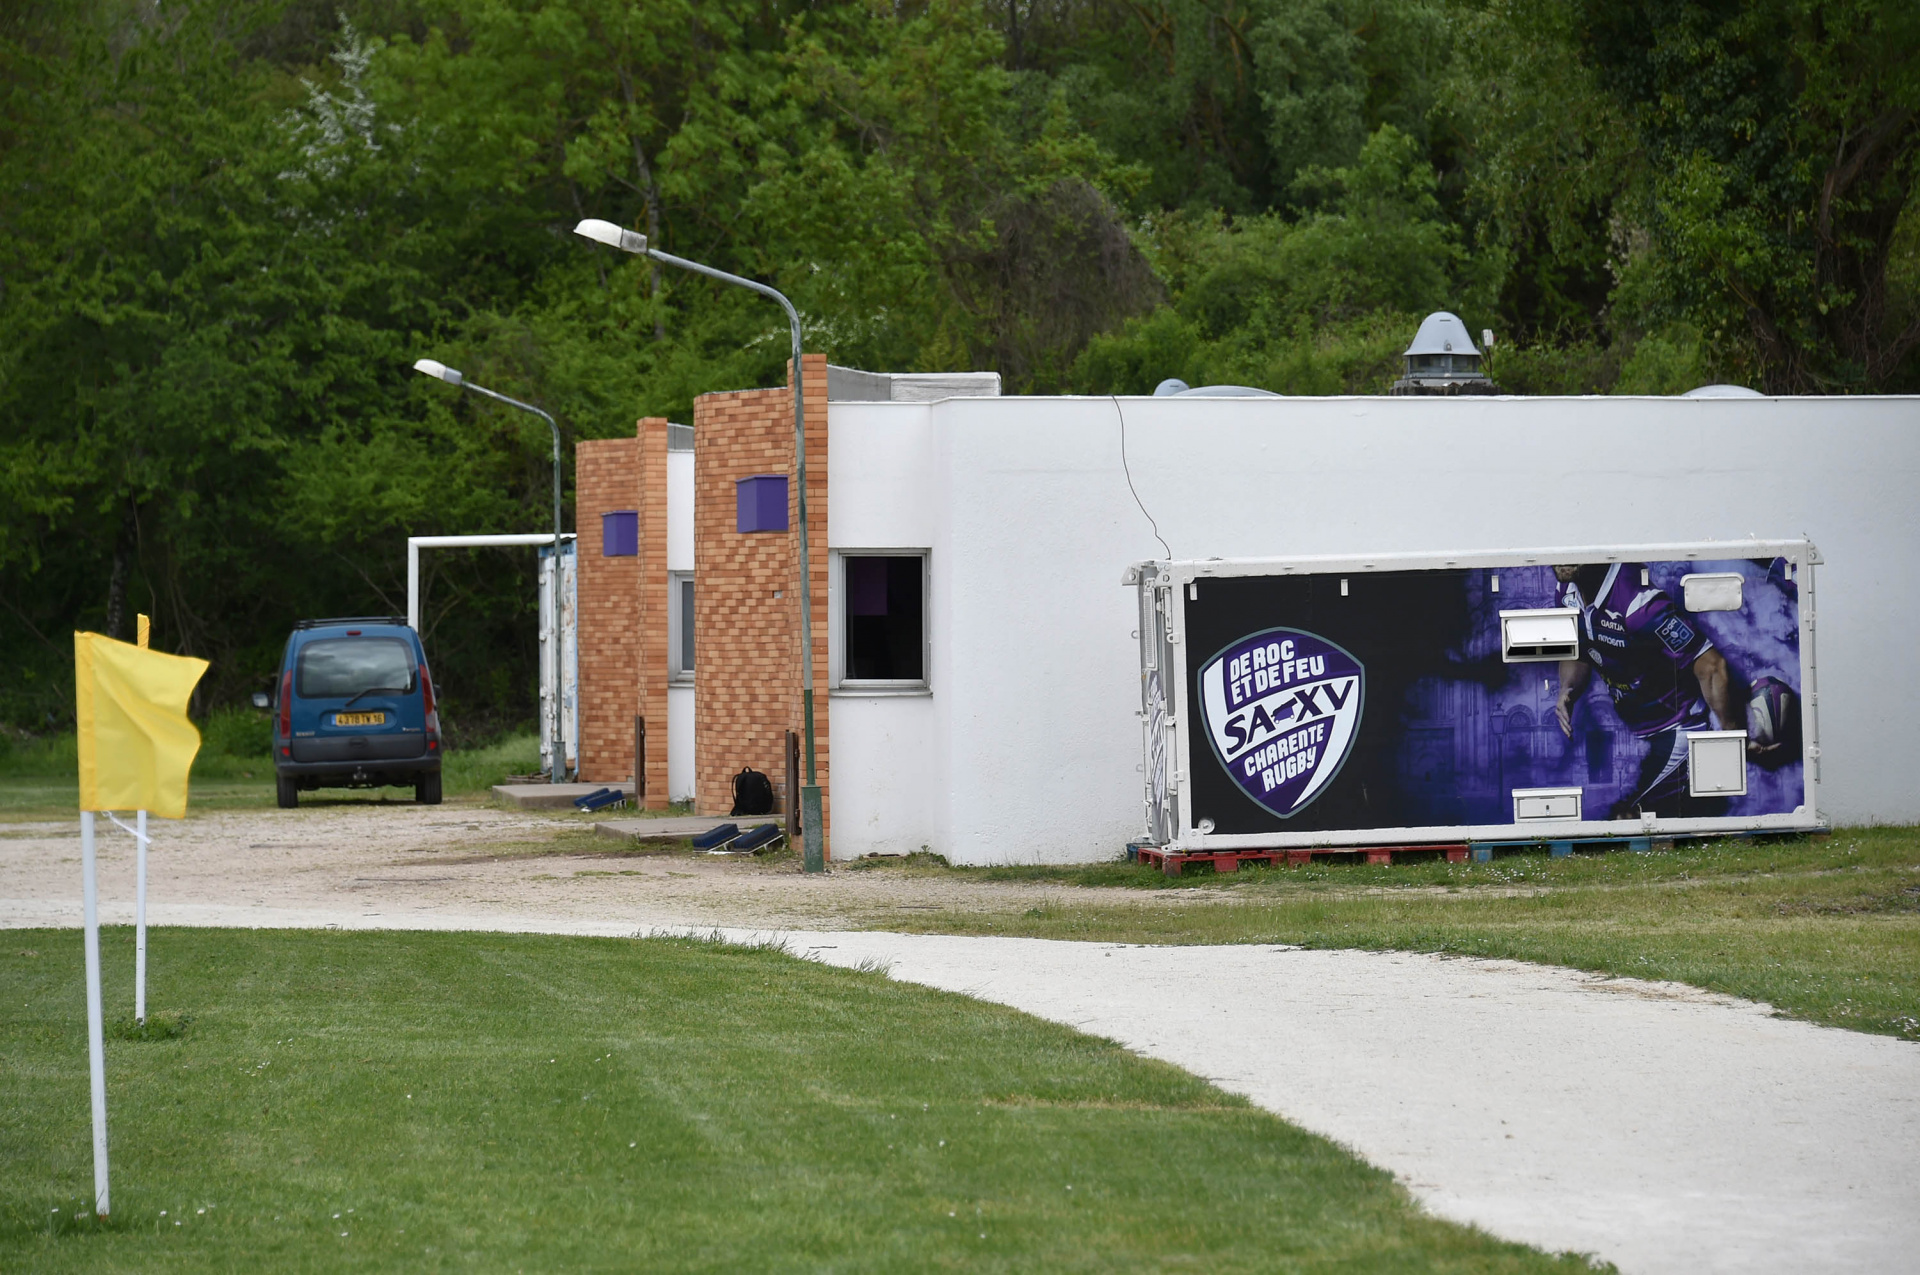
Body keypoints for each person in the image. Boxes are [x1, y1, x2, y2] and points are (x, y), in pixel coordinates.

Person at [1551, 563, 1775, 818]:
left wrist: (1732, 738)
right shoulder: (1566, 590)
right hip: (1636, 734)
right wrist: (1567, 688)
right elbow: (1580, 647)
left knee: (1627, 818)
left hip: (1676, 728)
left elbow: (1712, 666)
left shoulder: (1639, 606)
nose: (1561, 561)